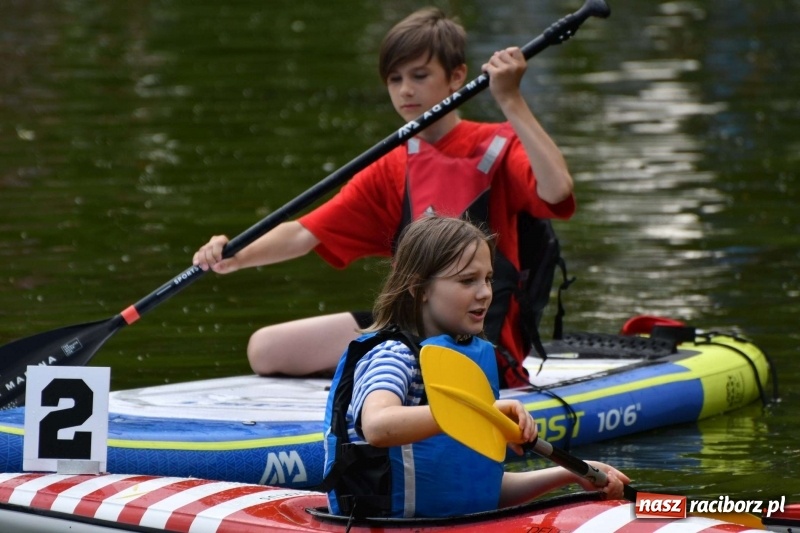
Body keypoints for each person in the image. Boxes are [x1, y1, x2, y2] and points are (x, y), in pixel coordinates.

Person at [192, 7, 576, 388]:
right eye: (394, 79)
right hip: (409, 330)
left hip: (480, 336)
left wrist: (511, 100)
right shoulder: (390, 166)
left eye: (419, 76)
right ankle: (376, 375)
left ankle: (387, 379)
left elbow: (558, 190)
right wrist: (233, 255)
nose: (405, 90)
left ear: (457, 76)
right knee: (267, 349)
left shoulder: (498, 145)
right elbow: (302, 234)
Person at [321, 216, 628, 518]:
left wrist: (571, 474)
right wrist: (476, 412)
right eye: (467, 280)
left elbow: (480, 490)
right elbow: (377, 426)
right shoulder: (393, 356)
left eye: (488, 278)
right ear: (419, 287)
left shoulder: (465, 363)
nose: (484, 292)